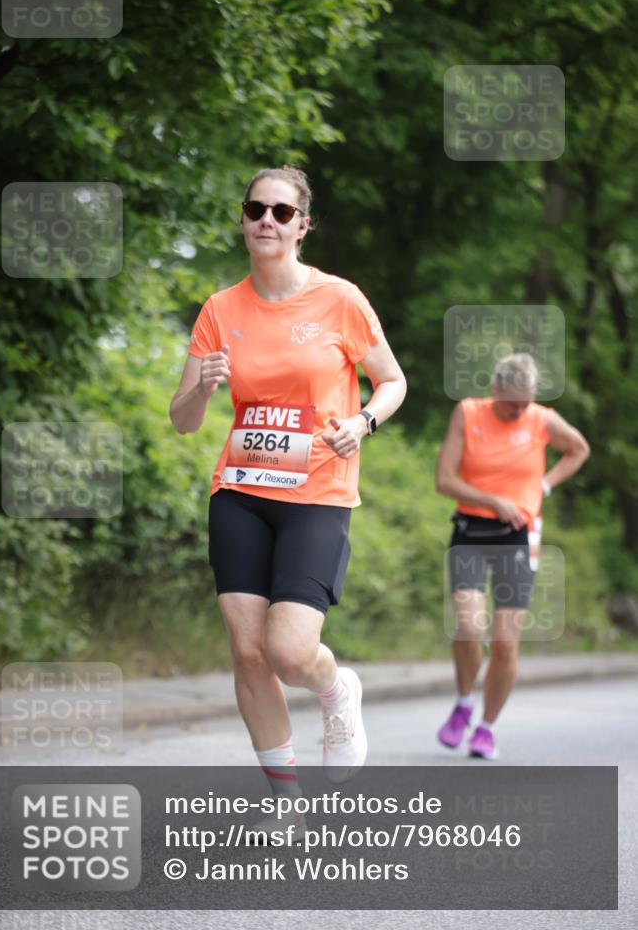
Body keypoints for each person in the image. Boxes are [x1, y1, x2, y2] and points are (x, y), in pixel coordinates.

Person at [170, 165, 406, 803]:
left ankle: (336, 691)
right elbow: (183, 421)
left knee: (291, 652)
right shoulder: (221, 309)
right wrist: (202, 386)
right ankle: (284, 799)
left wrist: (362, 423)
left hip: (317, 495)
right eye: (255, 210)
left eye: (280, 212)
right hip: (241, 492)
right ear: (242, 219)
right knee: (248, 653)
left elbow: (393, 381)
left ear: (303, 225)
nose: (265, 222)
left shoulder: (340, 299)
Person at [435, 353, 590, 759]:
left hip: (518, 537)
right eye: (512, 403)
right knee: (469, 626)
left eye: (526, 403)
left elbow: (578, 449)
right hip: (470, 531)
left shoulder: (540, 419)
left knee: (505, 642)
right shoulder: (467, 413)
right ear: (495, 390)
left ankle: (486, 728)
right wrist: (491, 500)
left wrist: (546, 486)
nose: (519, 411)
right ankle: (464, 701)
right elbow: (444, 480)